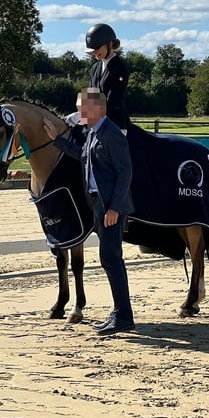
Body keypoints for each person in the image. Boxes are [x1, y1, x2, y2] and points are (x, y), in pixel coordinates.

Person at [43, 87, 135, 335]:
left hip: (110, 207)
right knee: (108, 259)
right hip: (98, 203)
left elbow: (125, 173)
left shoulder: (112, 134)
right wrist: (57, 141)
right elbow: (83, 155)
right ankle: (119, 313)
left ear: (98, 109)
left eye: (82, 107)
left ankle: (124, 316)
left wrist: (115, 207)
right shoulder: (93, 133)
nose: (78, 112)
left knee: (111, 259)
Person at [85, 23, 131, 133]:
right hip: (96, 123)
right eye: (92, 49)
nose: (94, 52)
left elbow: (113, 101)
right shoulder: (95, 68)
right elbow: (91, 96)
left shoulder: (120, 67)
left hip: (116, 125)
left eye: (97, 48)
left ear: (110, 44)